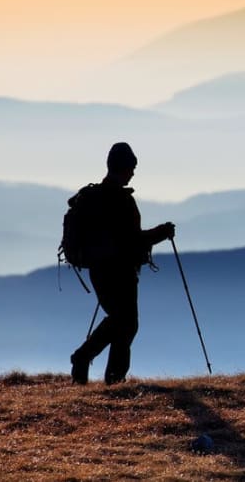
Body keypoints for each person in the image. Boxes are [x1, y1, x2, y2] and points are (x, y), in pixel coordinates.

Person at [70, 142, 175, 385]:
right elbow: (132, 240)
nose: (133, 173)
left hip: (99, 270)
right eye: (132, 168)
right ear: (124, 168)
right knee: (126, 322)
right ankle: (96, 365)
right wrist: (162, 232)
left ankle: (106, 373)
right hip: (120, 272)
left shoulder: (95, 197)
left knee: (121, 320)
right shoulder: (121, 200)